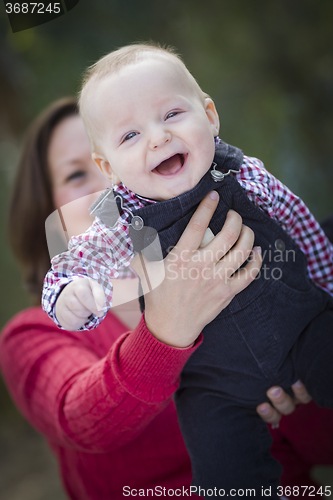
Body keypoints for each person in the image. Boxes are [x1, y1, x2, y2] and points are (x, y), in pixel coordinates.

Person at [41, 44, 333, 498]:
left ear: (210, 116)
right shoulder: (121, 221)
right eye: (130, 136)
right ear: (109, 169)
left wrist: (326, 281)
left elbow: (299, 221)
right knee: (225, 474)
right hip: (215, 385)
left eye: (172, 114)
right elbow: (82, 260)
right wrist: (75, 291)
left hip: (301, 327)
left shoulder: (243, 175)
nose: (157, 138)